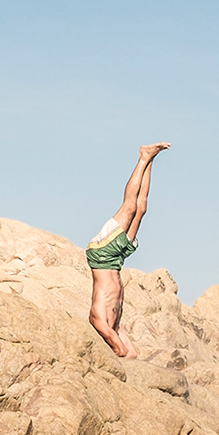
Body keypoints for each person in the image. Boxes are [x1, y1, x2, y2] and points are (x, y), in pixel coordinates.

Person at [86, 143, 169, 358]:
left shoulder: (99, 322)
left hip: (102, 255)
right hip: (116, 260)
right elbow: (130, 354)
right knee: (141, 209)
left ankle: (143, 157)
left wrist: (115, 354)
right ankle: (150, 160)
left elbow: (120, 350)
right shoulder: (115, 326)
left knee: (129, 207)